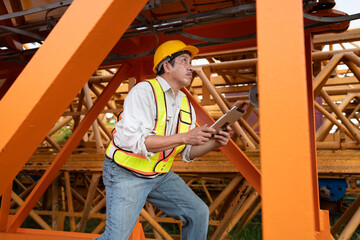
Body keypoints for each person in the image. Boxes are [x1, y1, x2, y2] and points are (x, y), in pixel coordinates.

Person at [95, 40, 232, 240]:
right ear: (167, 66)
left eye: (190, 61)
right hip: (126, 173)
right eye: (184, 61)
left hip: (158, 175)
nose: (190, 66)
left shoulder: (185, 104)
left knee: (198, 213)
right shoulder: (144, 92)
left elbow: (185, 152)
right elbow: (138, 141)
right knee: (115, 238)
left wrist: (214, 144)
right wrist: (185, 136)